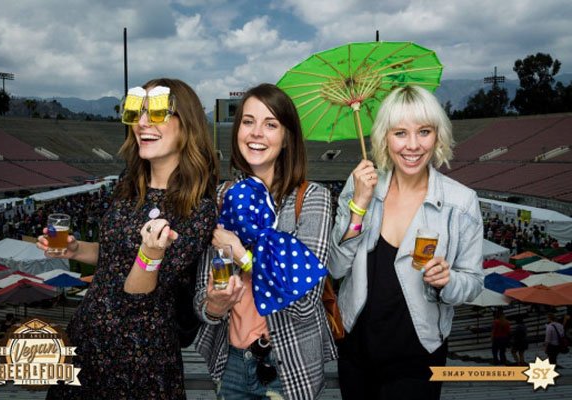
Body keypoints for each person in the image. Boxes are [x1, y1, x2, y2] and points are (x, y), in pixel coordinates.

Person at [38, 78, 219, 399]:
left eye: (159, 113)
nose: (143, 123)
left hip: (138, 358)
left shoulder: (198, 208)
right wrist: (76, 248)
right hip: (86, 342)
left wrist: (150, 254)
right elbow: (112, 258)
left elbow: (138, 294)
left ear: (186, 125)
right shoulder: (128, 183)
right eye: (138, 112)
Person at [328, 85, 483, 400]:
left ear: (438, 135)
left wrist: (448, 281)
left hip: (419, 356)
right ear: (384, 137)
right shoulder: (359, 186)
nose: (413, 145)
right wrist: (358, 204)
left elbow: (473, 282)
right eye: (400, 133)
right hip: (356, 352)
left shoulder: (462, 203)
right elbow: (335, 265)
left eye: (424, 131)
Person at [193, 83, 338, 399]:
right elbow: (201, 304)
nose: (256, 132)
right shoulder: (220, 197)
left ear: (286, 138)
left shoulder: (311, 199)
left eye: (270, 124)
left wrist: (242, 256)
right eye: (248, 121)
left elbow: (303, 303)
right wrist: (214, 306)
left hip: (286, 366)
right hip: (230, 362)